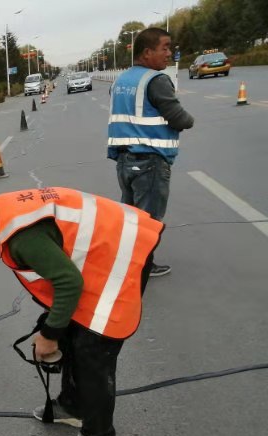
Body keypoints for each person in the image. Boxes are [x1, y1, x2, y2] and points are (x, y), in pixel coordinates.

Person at [0, 187, 163, 436]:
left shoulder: (21, 239)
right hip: (112, 243)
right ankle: (72, 406)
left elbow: (69, 282)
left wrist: (49, 335)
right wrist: (55, 326)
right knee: (71, 330)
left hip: (124, 252)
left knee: (92, 349)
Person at [108, 27, 194, 278]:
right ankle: (141, 268)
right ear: (147, 52)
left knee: (132, 217)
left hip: (124, 160)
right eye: (164, 48)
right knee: (148, 221)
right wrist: (191, 120)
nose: (169, 53)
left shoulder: (121, 80)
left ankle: (127, 262)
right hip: (150, 161)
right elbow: (178, 118)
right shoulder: (156, 80)